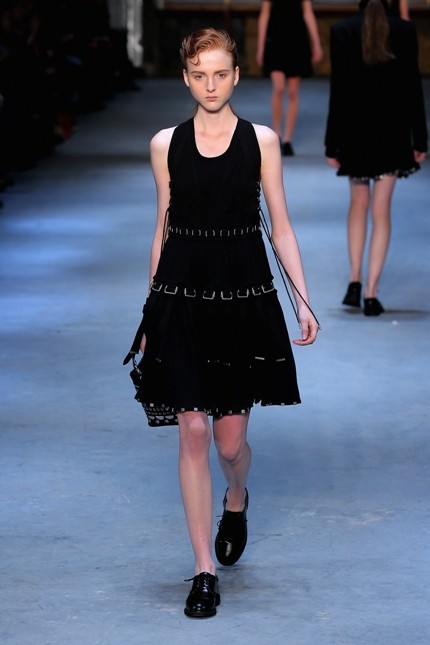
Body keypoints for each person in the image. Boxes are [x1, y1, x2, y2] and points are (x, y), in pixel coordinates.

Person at [123, 28, 319, 618]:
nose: (210, 85)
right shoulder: (165, 144)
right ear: (186, 78)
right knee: (193, 430)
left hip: (240, 296)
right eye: (199, 74)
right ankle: (204, 570)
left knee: (230, 442)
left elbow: (281, 226)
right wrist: (150, 311)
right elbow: (162, 228)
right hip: (181, 296)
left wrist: (302, 301)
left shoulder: (262, 141)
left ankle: (236, 498)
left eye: (220, 74)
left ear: (236, 76)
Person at [324, 0, 427, 316]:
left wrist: (331, 143)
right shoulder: (404, 30)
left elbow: (338, 90)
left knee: (358, 203)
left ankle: (354, 280)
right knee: (381, 210)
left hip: (355, 132)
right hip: (392, 132)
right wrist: (420, 138)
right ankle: (371, 293)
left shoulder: (342, 31)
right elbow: (413, 86)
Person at [256, 0, 322, 156]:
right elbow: (265, 14)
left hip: (297, 39)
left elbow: (307, 13)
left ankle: (287, 140)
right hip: (275, 38)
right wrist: (261, 46)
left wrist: (316, 43)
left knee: (293, 92)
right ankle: (277, 135)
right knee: (279, 88)